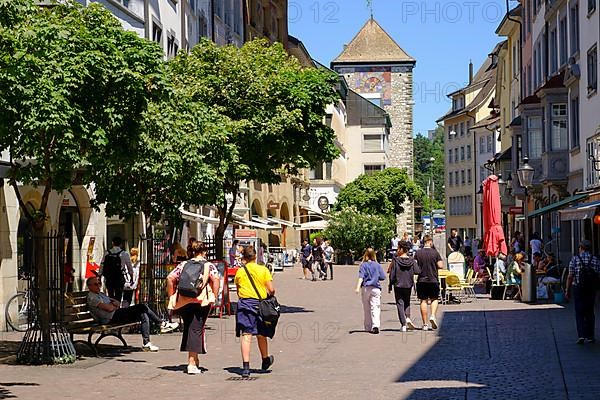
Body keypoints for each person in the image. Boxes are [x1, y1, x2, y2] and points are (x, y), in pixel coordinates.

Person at [167, 240, 220, 374]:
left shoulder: (183, 264)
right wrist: (213, 295)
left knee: (190, 328)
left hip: (184, 300)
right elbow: (216, 280)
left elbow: (170, 278)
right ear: (204, 251)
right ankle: (191, 363)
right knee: (196, 329)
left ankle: (195, 359)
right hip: (200, 300)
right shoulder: (208, 265)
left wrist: (172, 295)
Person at [86, 276, 165, 352]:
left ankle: (147, 342)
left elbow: (117, 303)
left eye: (99, 283)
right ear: (89, 286)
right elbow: (109, 308)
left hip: (115, 314)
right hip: (110, 318)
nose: (98, 286)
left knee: (143, 313)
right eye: (96, 284)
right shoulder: (92, 297)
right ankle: (160, 323)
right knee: (142, 307)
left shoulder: (101, 294)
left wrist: (112, 305)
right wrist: (113, 306)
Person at [234, 245, 276, 378]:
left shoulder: (240, 271)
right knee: (261, 333)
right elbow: (271, 290)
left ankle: (246, 367)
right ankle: (265, 359)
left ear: (244, 258)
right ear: (255, 256)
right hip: (260, 305)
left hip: (245, 304)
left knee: (246, 334)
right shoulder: (263, 270)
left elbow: (238, 288)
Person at [565, 240, 600, 344]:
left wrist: (567, 290)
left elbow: (570, 276)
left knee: (579, 311)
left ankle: (581, 335)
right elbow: (598, 274)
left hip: (578, 288)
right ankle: (590, 336)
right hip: (591, 289)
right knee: (590, 311)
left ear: (581, 248)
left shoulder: (575, 259)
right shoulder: (595, 259)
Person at [415, 235, 444, 331]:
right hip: (433, 279)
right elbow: (440, 265)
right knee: (434, 299)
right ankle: (432, 315)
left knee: (423, 301)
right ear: (430, 242)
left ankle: (425, 324)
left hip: (421, 280)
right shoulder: (435, 253)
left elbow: (415, 266)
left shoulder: (418, 253)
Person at [388, 241, 419, 331]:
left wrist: (390, 284)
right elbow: (417, 270)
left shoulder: (396, 260)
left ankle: (403, 324)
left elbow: (392, 274)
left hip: (398, 284)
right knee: (407, 302)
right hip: (408, 284)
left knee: (400, 303)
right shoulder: (411, 260)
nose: (397, 250)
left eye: (398, 248)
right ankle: (408, 317)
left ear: (401, 249)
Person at [355, 248, 386, 334]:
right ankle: (375, 325)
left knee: (367, 308)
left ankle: (368, 326)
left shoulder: (363, 265)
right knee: (375, 307)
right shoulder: (377, 265)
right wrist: (376, 276)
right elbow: (383, 276)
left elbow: (361, 277)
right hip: (376, 287)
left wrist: (357, 287)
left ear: (365, 255)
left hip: (366, 287)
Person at [99, 236, 134, 302]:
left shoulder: (107, 253)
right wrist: (131, 277)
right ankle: (117, 307)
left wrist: (99, 275)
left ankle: (112, 308)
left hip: (109, 277)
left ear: (112, 243)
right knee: (119, 294)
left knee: (110, 294)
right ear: (121, 244)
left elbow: (102, 264)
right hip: (119, 277)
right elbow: (129, 267)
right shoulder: (124, 254)